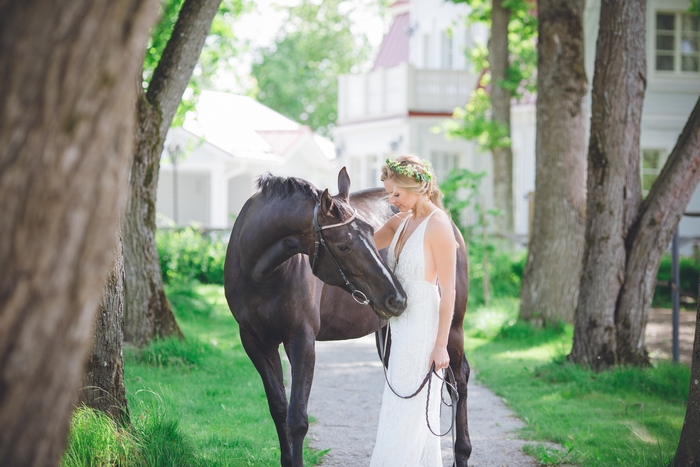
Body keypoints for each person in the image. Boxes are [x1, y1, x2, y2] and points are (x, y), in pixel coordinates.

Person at [370, 154, 457, 466]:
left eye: (397, 194)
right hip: (401, 325)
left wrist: (441, 345)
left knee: (412, 405)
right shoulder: (400, 222)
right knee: (398, 404)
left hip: (424, 325)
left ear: (418, 186)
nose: (393, 201)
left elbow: (449, 291)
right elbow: (360, 248)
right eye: (390, 195)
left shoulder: (438, 225)